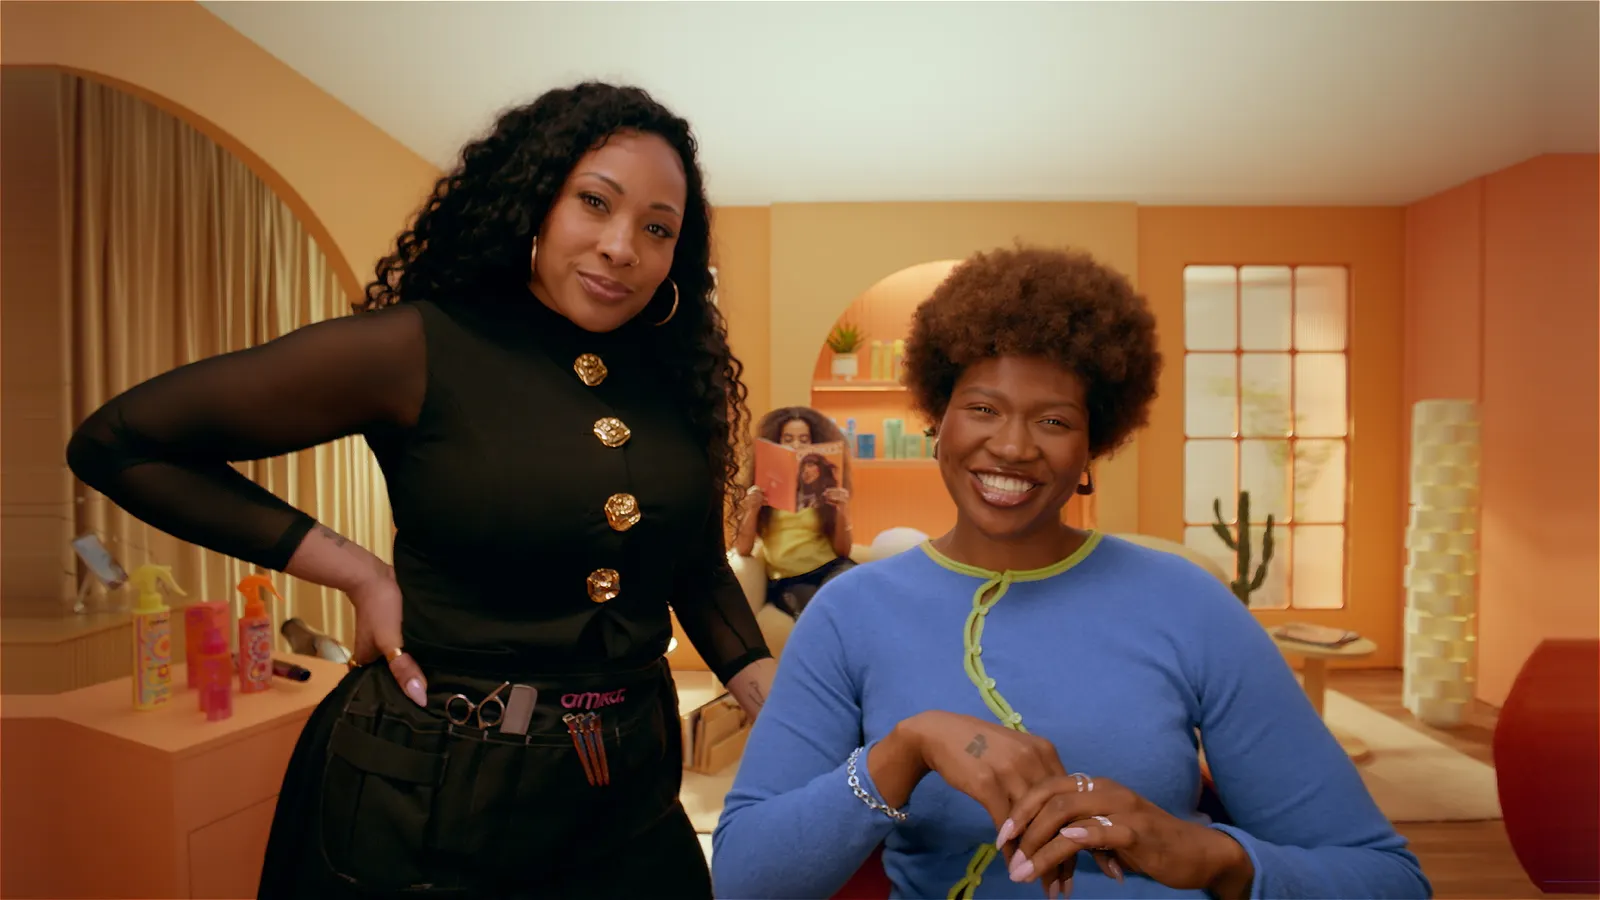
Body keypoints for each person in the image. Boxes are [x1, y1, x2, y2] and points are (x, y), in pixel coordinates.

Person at [66, 82, 775, 899]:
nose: (622, 247)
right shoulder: (423, 347)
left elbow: (690, 562)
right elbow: (121, 442)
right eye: (594, 202)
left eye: (657, 228)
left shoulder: (675, 376)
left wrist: (766, 684)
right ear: (536, 203)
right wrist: (357, 571)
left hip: (633, 790)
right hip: (435, 788)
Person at [712, 247, 1431, 900]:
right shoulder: (849, 613)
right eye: (983, 408)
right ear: (939, 421)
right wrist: (903, 752)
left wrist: (1211, 857)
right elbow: (744, 879)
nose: (1012, 446)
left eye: (1053, 421)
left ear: (1094, 444)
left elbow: (1387, 878)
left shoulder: (1188, 604)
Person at [734, 406, 857, 618]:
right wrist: (752, 509)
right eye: (788, 439)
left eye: (804, 439)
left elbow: (843, 551)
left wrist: (842, 511)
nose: (796, 445)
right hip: (789, 579)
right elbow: (743, 549)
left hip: (831, 567)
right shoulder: (762, 487)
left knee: (858, 593)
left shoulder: (824, 489)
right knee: (818, 613)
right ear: (777, 441)